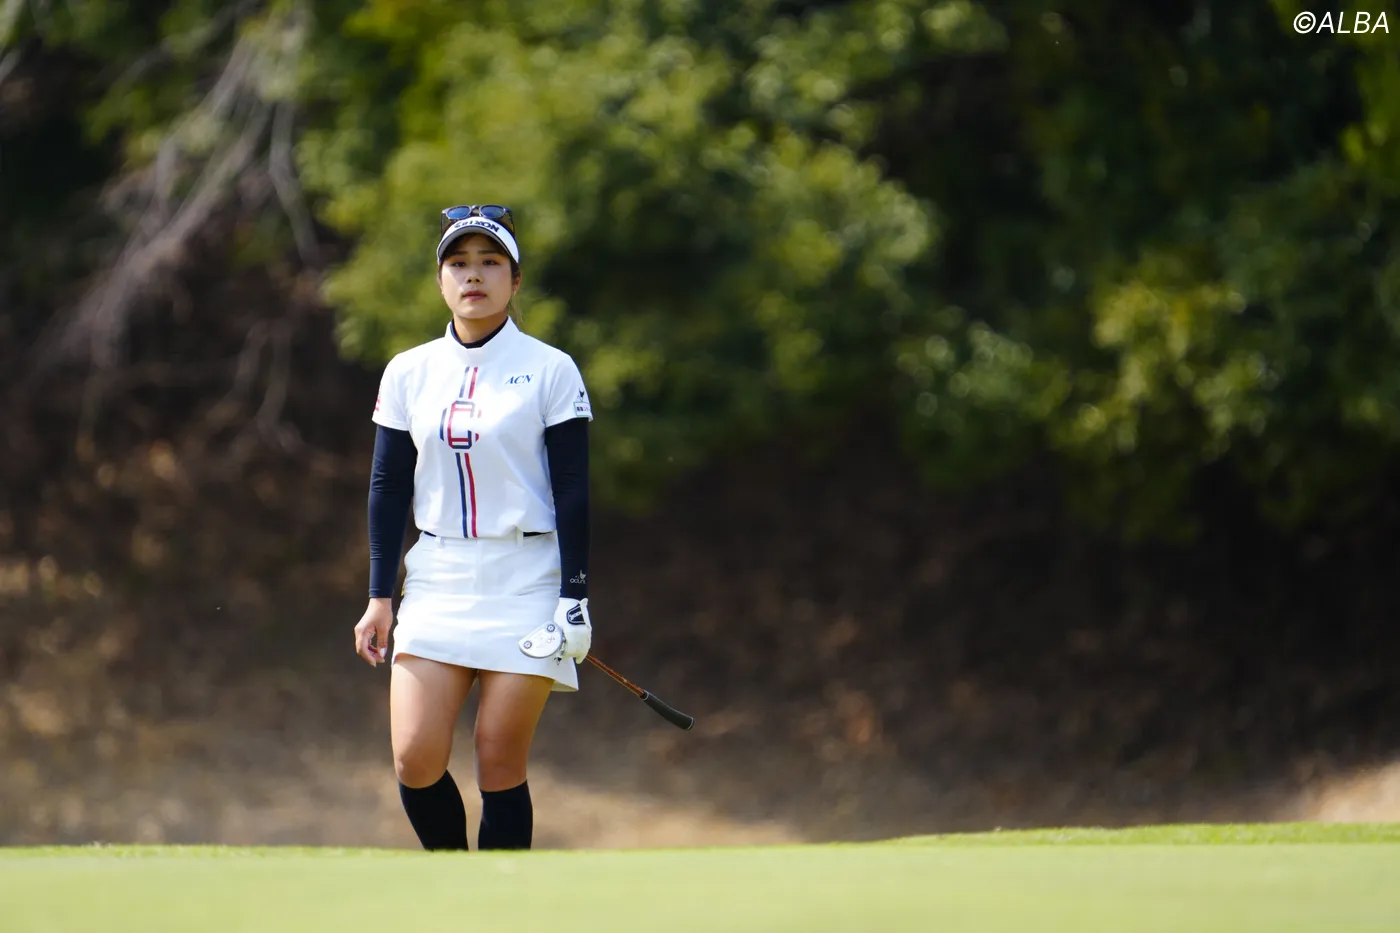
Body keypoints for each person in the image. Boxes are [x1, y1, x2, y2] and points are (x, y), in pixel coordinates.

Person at [352, 204, 594, 851]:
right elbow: (388, 487)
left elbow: (572, 490)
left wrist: (573, 596)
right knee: (414, 758)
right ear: (440, 280)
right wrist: (379, 596)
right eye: (458, 263)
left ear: (515, 279)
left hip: (527, 578)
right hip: (439, 575)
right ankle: (453, 879)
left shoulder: (550, 368)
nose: (474, 275)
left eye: (490, 262)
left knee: (497, 755)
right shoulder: (409, 370)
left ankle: (498, 898)